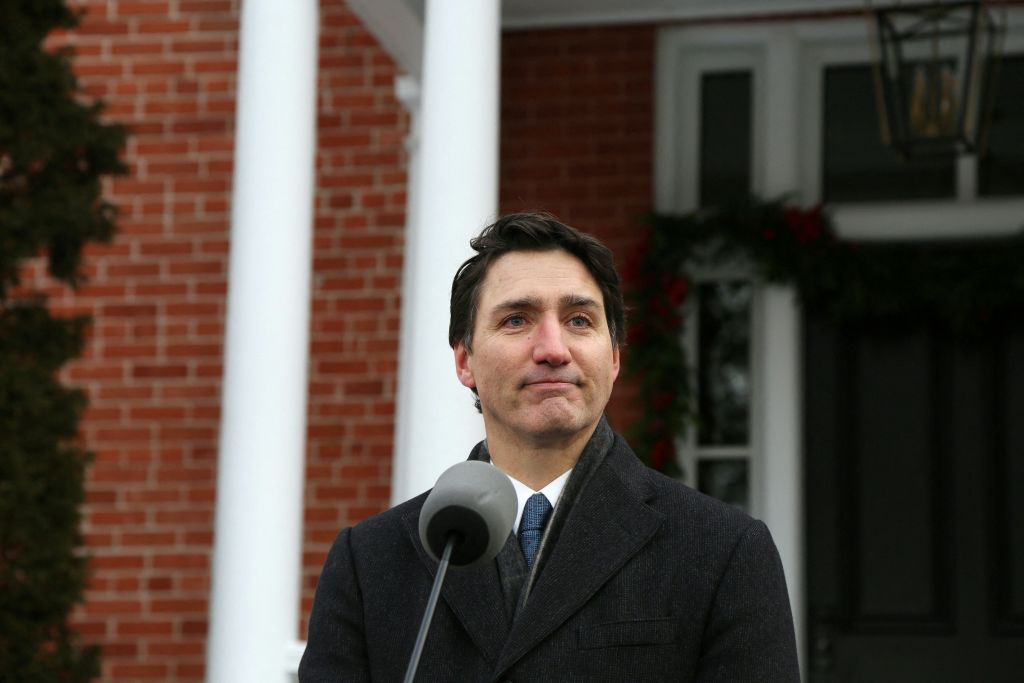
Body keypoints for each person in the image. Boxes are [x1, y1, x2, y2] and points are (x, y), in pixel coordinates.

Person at [299, 213, 800, 682]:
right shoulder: (369, 564)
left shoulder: (724, 552)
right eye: (516, 319)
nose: (554, 349)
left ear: (615, 357)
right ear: (464, 361)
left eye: (580, 320)